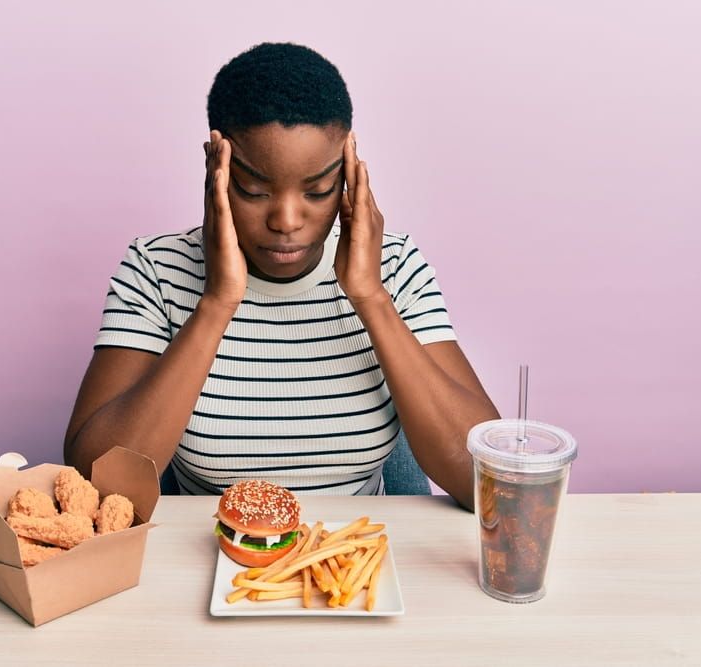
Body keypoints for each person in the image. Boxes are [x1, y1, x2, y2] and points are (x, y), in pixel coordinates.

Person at [63, 42, 499, 509]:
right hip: (207, 559)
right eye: (252, 190)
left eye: (318, 190)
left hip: (360, 560)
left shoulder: (395, 266)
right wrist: (217, 302)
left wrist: (371, 296)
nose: (286, 220)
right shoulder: (154, 268)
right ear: (216, 165)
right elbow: (93, 486)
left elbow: (488, 483)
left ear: (349, 174)